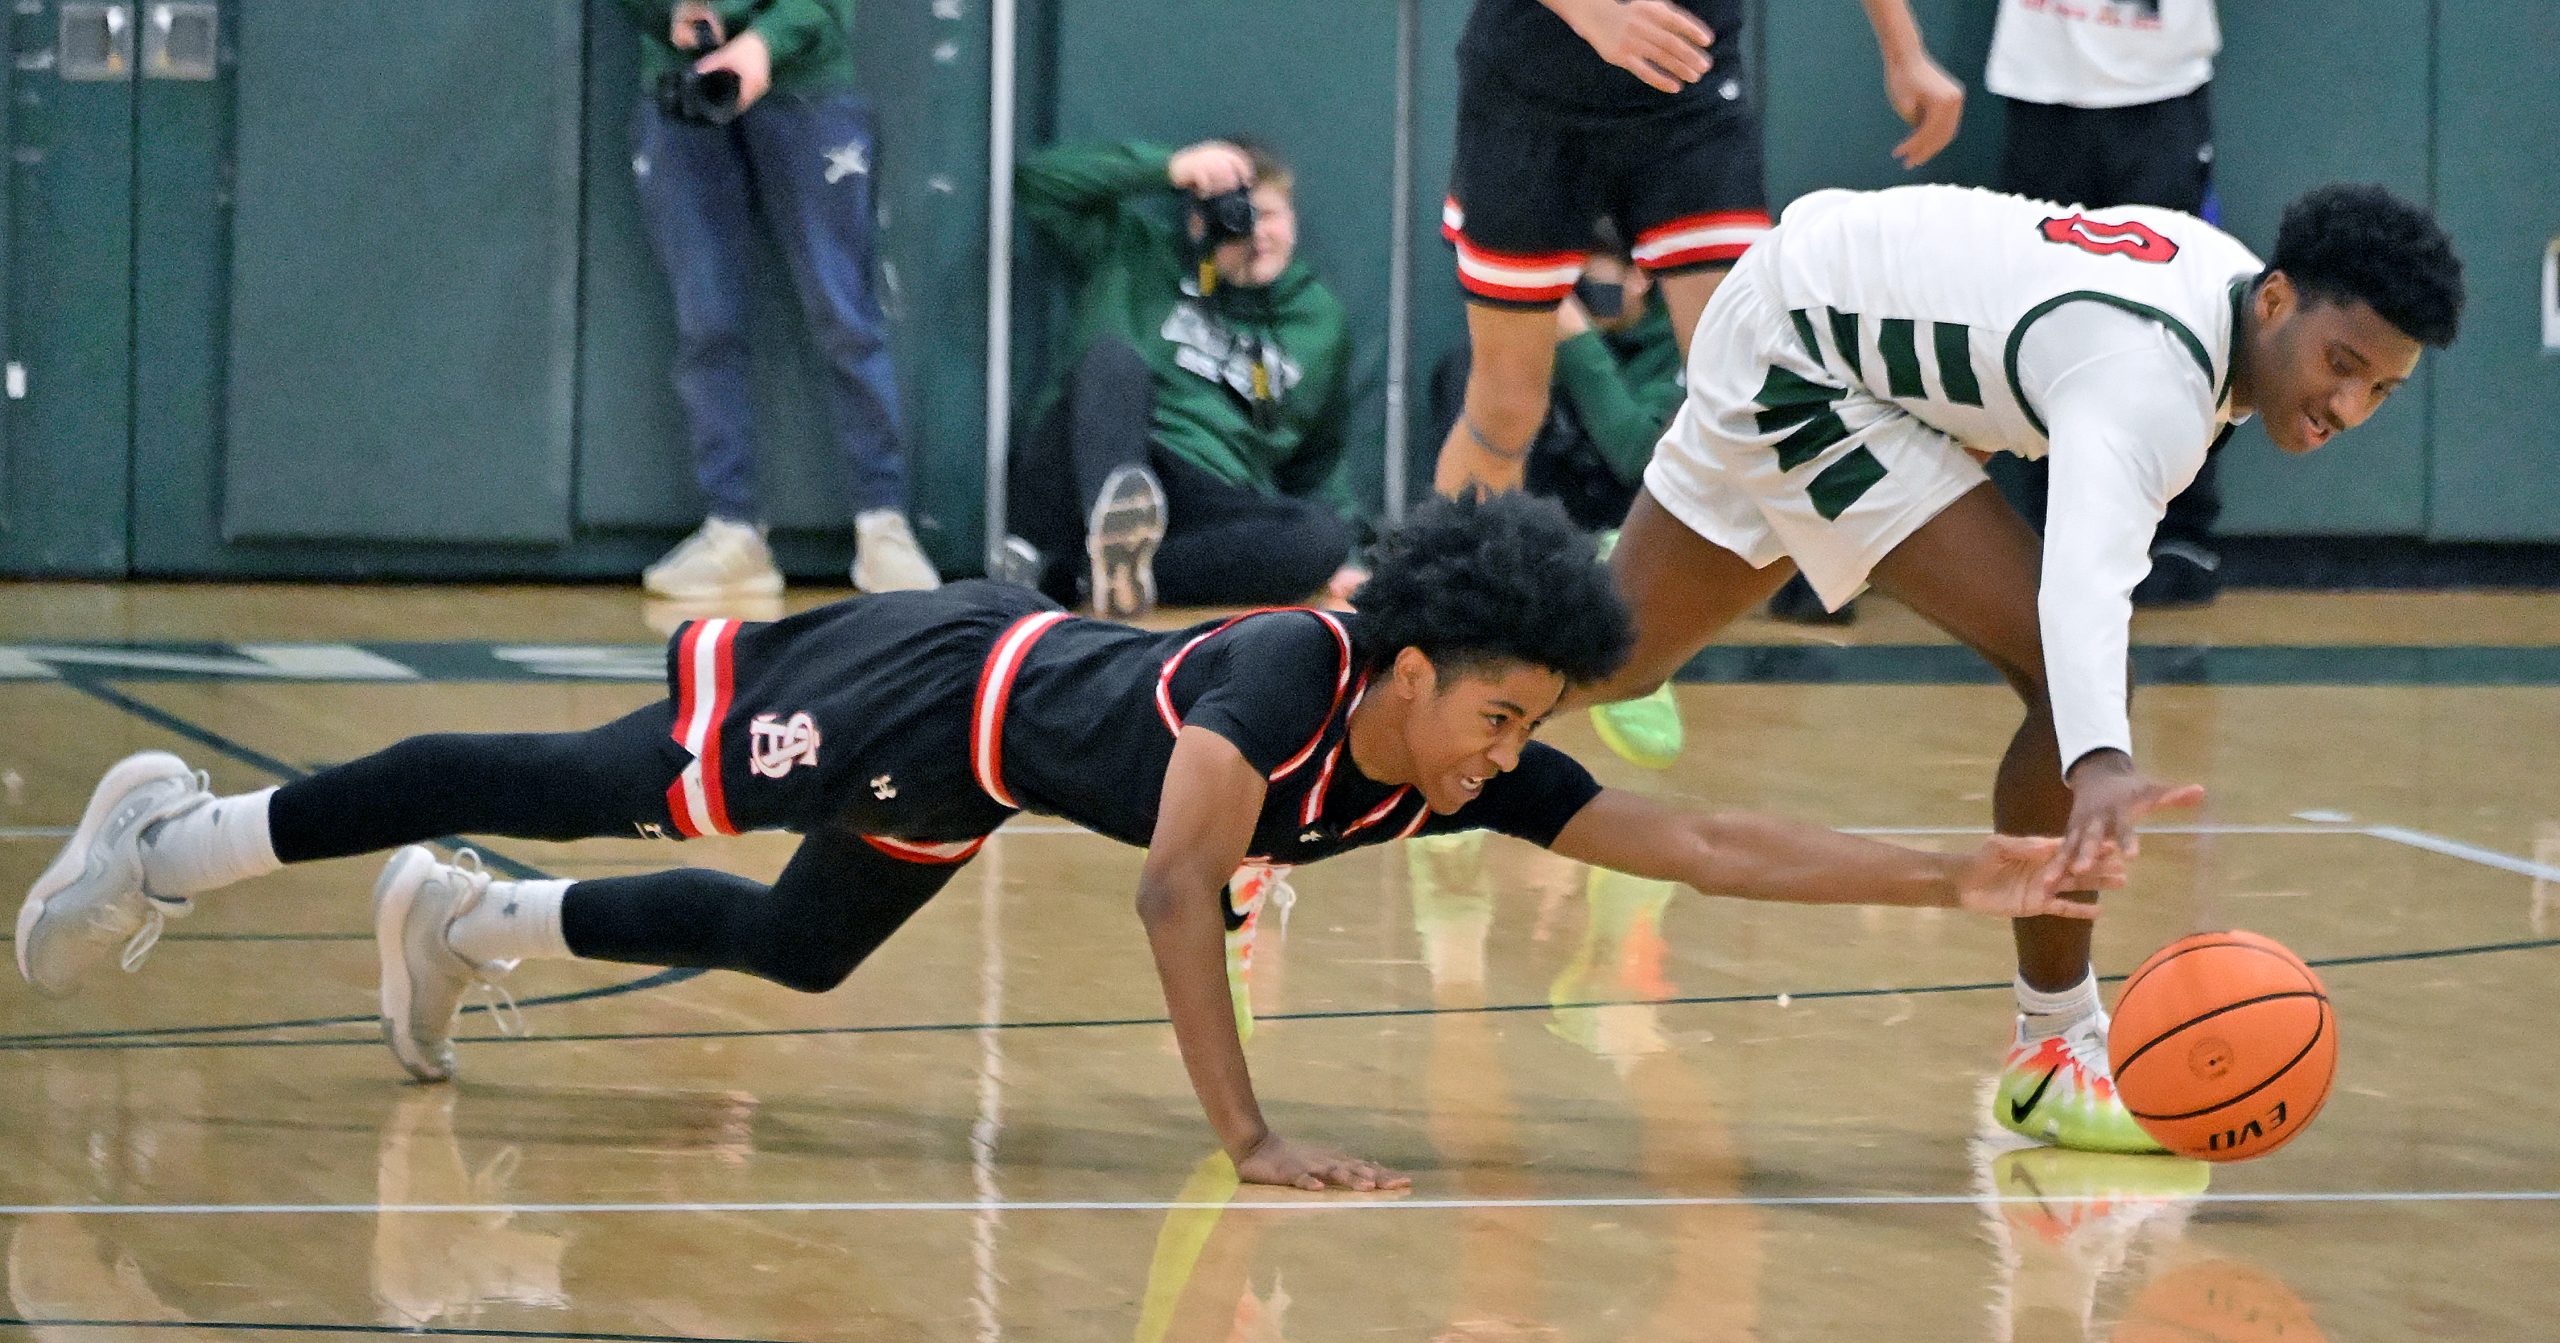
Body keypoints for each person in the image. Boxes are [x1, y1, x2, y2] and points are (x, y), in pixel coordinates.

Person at [20, 496, 2125, 1193]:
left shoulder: (1448, 748)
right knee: (592, 763)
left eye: (1529, 726)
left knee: (798, 946)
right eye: (1497, 711)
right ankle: (190, 835)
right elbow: (1162, 887)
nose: (1513, 757)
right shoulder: (1282, 692)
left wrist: (1962, 872)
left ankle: (464, 914)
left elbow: (1704, 832)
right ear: (1407, 669)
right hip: (918, 687)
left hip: (993, 759)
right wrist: (1249, 1137)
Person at [1576, 181, 2463, 1151]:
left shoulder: (2215, 287)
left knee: (1601, 656)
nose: (2348, 404)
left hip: (1802, 302)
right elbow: (2080, 589)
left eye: (2379, 387)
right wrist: (2099, 762)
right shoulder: (2153, 382)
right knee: (2078, 688)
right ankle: (2054, 1050)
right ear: (2278, 299)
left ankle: (1386, 660)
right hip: (1806, 364)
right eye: (2341, 365)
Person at [1434, 0, 1965, 762]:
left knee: (1749, 392)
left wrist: (1904, 49)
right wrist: (1595, 15)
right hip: (1530, 93)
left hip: (1684, 89)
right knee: (1506, 406)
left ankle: (1624, 633)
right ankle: (1455, 651)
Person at [624, 1, 940, 602]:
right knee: (706, 321)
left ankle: (882, 522)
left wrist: (764, 42)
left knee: (844, 313)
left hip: (808, 86)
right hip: (679, 83)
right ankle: (731, 528)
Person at [1010, 137, 1367, 619]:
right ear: (1197, 223)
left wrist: (1345, 559)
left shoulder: (1318, 320)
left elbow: (1319, 463)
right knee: (1113, 361)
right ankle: (1111, 533)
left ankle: (1090, 575)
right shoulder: (1136, 252)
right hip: (1104, 458)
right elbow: (1039, 184)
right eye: (1236, 218)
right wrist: (1170, 168)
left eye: (1269, 215)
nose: (1255, 233)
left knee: (1322, 536)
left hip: (1208, 499)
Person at [1989, 0, 2231, 607]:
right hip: (2043, 86)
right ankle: (2056, 525)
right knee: (2044, 316)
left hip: (2163, 88)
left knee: (2172, 314)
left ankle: (2179, 530)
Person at [1425, 250, 1684, 534]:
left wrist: (1579, 343)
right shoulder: (1527, 353)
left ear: (1639, 276)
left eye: (1582, 278)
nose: (1575, 294)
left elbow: (1636, 456)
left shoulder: (1682, 342)